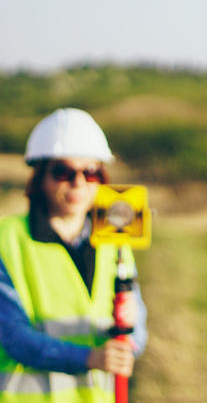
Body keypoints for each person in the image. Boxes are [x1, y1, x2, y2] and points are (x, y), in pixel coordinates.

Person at [0, 108, 148, 402]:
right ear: (40, 177)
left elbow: (138, 329)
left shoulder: (116, 240)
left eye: (90, 172)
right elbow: (14, 337)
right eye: (63, 172)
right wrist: (90, 358)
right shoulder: (7, 239)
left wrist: (131, 334)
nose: (78, 182)